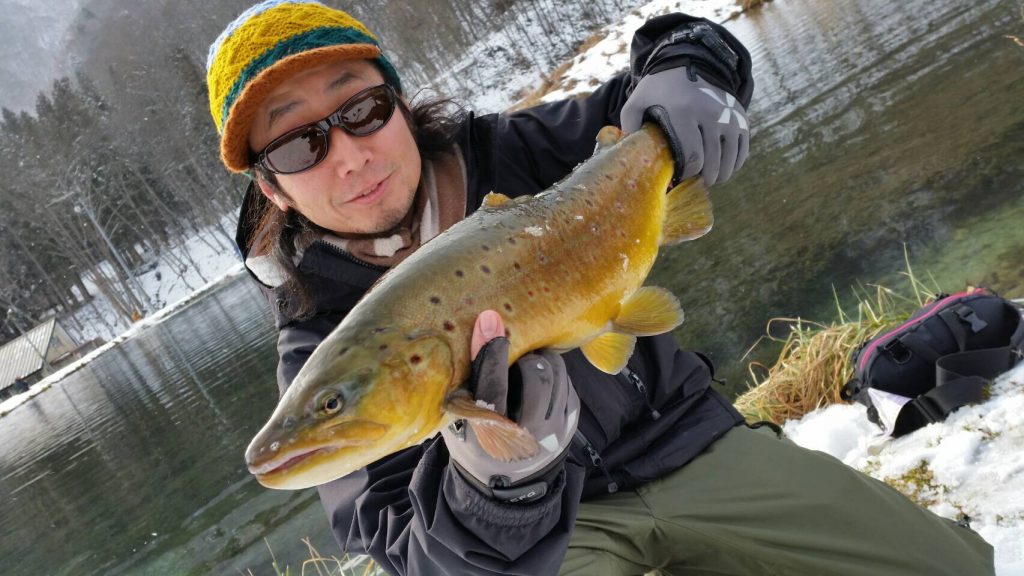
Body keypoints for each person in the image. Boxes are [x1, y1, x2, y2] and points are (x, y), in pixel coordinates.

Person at [206, 1, 995, 574]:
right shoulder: (319, 343)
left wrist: (695, 71)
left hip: (683, 441)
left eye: (364, 108)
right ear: (270, 189)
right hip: (554, 539)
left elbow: (675, 50)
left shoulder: (515, 153)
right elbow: (419, 558)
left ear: (402, 108)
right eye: (301, 142)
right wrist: (496, 485)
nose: (348, 153)